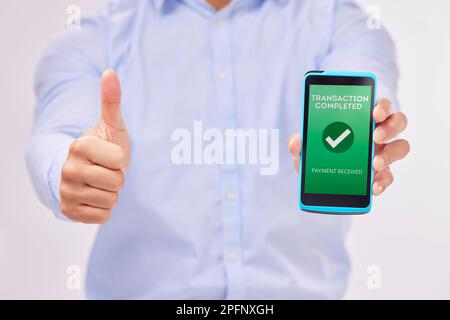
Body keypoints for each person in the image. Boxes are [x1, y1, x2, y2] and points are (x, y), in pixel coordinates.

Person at [27, 0, 410, 299]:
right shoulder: (91, 40)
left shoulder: (341, 24)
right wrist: (69, 170)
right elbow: (56, 134)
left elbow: (363, 74)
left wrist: (367, 128)